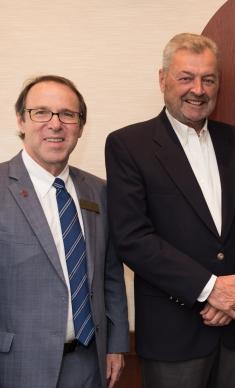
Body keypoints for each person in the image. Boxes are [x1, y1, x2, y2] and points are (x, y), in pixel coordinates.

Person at [105, 33, 235, 388]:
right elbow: (132, 238)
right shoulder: (128, 145)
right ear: (163, 79)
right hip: (174, 334)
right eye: (186, 77)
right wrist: (209, 287)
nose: (198, 89)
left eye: (208, 79)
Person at [0, 75, 129, 387]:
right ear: (21, 120)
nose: (55, 124)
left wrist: (116, 344)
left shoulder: (99, 192)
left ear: (80, 127)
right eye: (41, 112)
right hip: (17, 365)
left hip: (89, 363)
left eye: (67, 114)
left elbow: (111, 273)